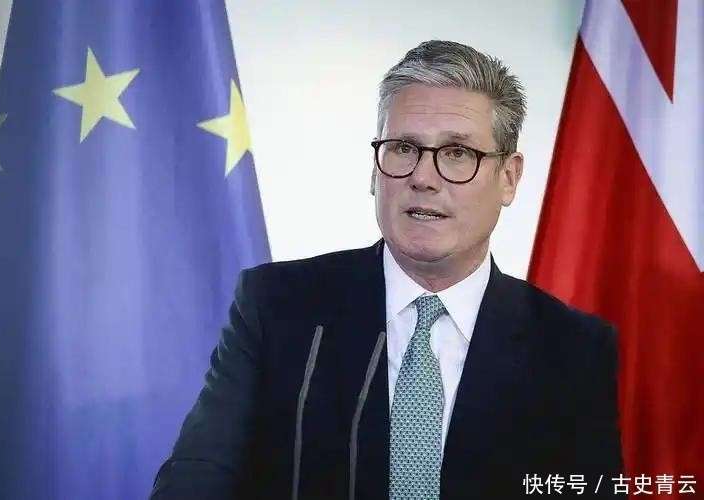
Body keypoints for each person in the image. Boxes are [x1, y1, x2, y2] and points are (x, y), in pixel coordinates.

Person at [150, 40, 622, 500]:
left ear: (509, 178)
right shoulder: (277, 305)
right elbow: (198, 473)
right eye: (403, 148)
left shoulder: (572, 348)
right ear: (375, 170)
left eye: (457, 153)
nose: (423, 177)